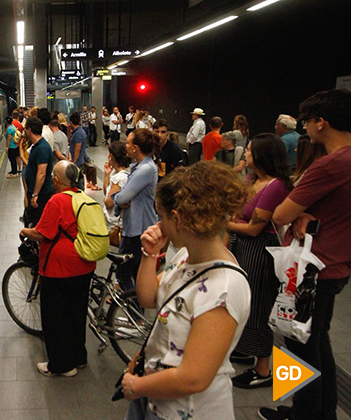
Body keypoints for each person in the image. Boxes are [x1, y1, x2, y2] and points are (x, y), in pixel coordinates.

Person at [121, 160, 251, 420]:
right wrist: (150, 255)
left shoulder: (223, 289)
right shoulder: (185, 257)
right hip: (155, 397)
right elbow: (148, 298)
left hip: (185, 411)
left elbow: (194, 378)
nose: (160, 223)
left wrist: (135, 386)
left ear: (178, 219)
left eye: (163, 216)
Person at [262, 89, 351, 420]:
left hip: (309, 271)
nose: (306, 128)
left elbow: (282, 214)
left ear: (322, 123)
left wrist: (302, 211)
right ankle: (320, 411)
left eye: (308, 121)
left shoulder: (329, 165)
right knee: (318, 343)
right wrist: (313, 212)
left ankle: (303, 414)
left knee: (297, 346)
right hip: (337, 265)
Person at [226, 133, 292, 389]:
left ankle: (263, 369)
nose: (245, 154)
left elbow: (255, 228)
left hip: (260, 252)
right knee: (243, 302)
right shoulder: (253, 178)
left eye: (251, 151)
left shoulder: (275, 186)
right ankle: (245, 348)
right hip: (243, 248)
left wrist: (225, 224)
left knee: (258, 307)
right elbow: (237, 207)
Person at [20, 160, 96, 377]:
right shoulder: (82, 197)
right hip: (85, 264)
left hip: (59, 268)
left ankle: (62, 365)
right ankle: (78, 357)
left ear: (56, 179)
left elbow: (43, 233)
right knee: (77, 313)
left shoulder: (56, 201)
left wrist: (25, 231)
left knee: (56, 317)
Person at [113, 129, 159, 291]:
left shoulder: (145, 169)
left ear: (135, 148)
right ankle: (137, 310)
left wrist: (117, 200)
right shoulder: (139, 166)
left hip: (137, 229)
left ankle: (135, 313)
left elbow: (123, 197)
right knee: (134, 272)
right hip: (135, 226)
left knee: (123, 274)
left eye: (129, 142)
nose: (126, 145)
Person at [22, 117, 54, 227]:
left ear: (29, 130)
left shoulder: (42, 148)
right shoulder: (37, 146)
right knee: (31, 218)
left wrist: (35, 195)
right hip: (36, 192)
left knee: (37, 221)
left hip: (41, 193)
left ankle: (34, 243)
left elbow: (42, 173)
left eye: (25, 129)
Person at [103, 141, 130, 230]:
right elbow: (107, 192)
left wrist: (105, 200)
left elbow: (109, 202)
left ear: (111, 157)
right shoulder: (116, 173)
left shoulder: (120, 178)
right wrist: (107, 175)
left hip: (113, 224)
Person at [68, 112, 88, 189]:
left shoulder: (78, 134)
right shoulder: (80, 131)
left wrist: (74, 161)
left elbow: (77, 148)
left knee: (78, 182)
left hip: (77, 161)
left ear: (71, 122)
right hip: (80, 160)